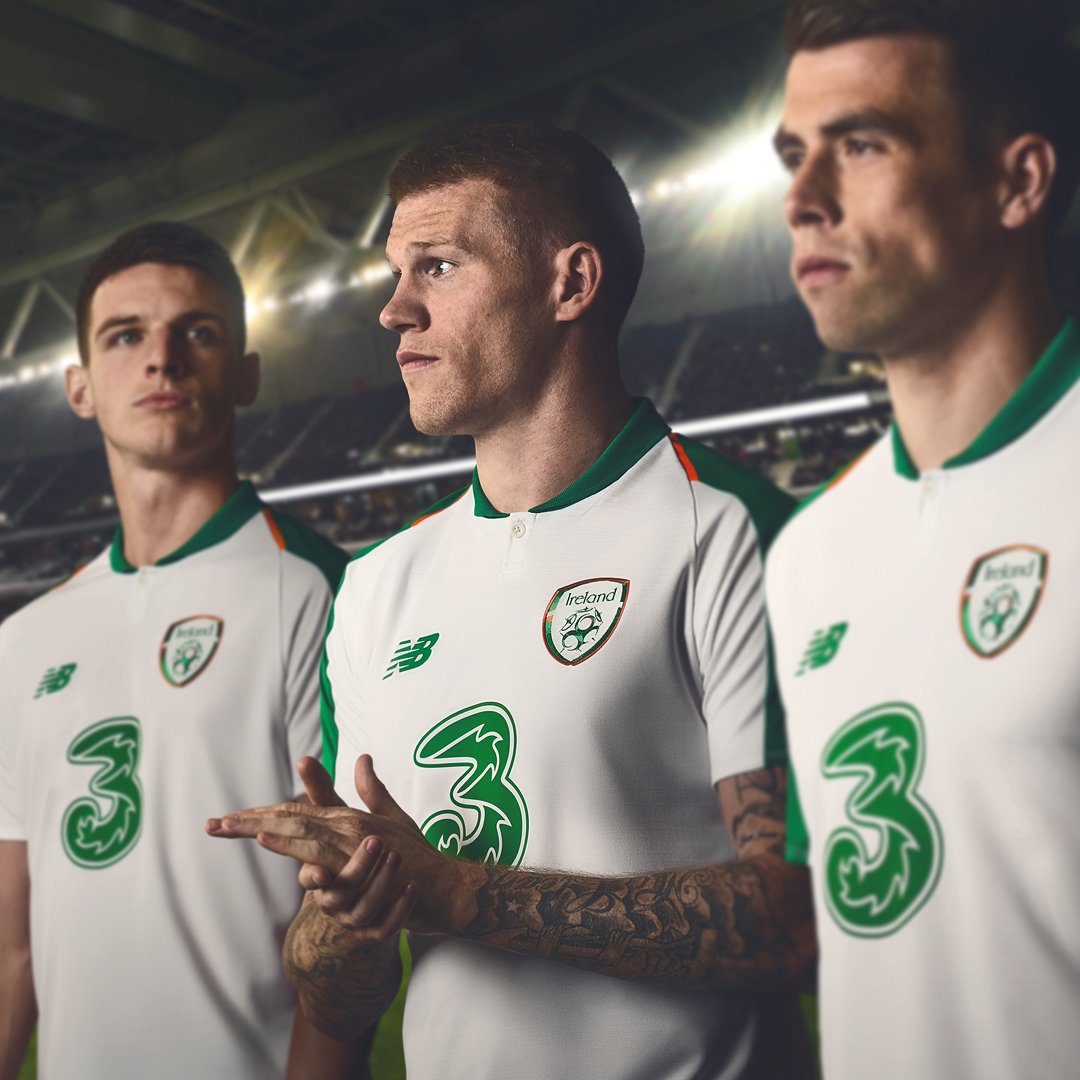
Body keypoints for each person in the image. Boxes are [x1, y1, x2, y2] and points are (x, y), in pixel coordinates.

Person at [209, 122, 816, 1080]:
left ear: (570, 283)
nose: (393, 310)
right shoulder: (376, 585)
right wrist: (346, 917)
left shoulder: (732, 528)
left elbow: (797, 918)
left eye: (439, 267)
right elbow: (340, 999)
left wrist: (460, 894)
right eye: (395, 273)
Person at [764, 2, 1080, 1077]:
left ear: (1017, 182)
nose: (802, 199)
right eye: (794, 155)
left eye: (862, 145)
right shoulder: (807, 554)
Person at [0, 222, 360, 1079]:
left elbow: (349, 933)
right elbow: (10, 946)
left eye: (196, 331)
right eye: (125, 336)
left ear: (246, 372)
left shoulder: (321, 591)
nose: (161, 359)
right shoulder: (23, 638)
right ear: (80, 386)